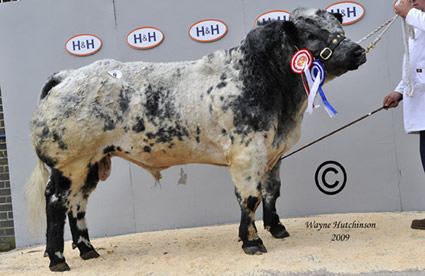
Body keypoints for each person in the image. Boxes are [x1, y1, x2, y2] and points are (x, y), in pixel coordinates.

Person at [383, 0, 425, 229]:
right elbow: (415, 64)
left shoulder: (418, 21)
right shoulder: (417, 28)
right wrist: (399, 92)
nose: (414, 3)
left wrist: (409, 12)